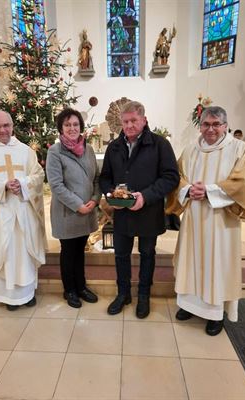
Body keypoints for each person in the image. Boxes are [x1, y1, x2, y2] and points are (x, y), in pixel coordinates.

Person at [167, 106, 245, 336]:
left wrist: (209, 191)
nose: (211, 129)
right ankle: (188, 305)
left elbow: (243, 182)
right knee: (192, 259)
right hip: (194, 218)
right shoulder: (190, 149)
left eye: (216, 124)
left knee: (217, 263)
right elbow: (178, 176)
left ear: (225, 126)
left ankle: (214, 314)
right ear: (201, 125)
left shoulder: (238, 149)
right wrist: (188, 189)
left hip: (222, 221)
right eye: (206, 124)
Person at [99, 101, 180, 318]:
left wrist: (146, 196)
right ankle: (123, 293)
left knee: (147, 254)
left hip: (148, 210)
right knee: (121, 254)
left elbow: (171, 177)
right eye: (125, 122)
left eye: (134, 120)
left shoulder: (160, 144)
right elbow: (105, 177)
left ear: (143, 120)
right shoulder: (114, 147)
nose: (129, 125)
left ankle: (144, 295)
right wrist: (111, 194)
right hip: (122, 211)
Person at [0, 110, 46, 311]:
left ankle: (27, 294)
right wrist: (2, 186)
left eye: (6, 125)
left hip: (23, 212)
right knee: (5, 254)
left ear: (12, 126)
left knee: (23, 252)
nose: (2, 130)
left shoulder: (25, 151)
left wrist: (22, 183)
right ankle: (8, 297)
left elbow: (38, 175)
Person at [46, 108, 101, 308]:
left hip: (87, 211)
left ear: (81, 127)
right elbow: (56, 185)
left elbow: (96, 178)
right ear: (61, 127)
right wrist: (78, 205)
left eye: (75, 124)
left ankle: (81, 287)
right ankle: (69, 289)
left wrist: (95, 200)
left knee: (80, 250)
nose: (72, 128)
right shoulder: (55, 151)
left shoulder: (89, 149)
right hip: (68, 212)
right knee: (69, 251)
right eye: (67, 124)